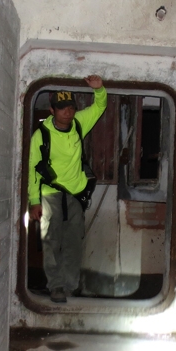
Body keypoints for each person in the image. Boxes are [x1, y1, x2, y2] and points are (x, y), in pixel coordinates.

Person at [28, 75, 107, 303]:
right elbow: (33, 169)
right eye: (62, 108)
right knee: (51, 242)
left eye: (71, 107)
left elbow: (100, 106)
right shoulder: (41, 135)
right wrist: (34, 201)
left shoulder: (79, 123)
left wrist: (99, 89)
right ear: (52, 110)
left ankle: (70, 286)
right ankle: (56, 286)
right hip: (49, 194)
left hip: (75, 194)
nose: (68, 112)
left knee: (73, 242)